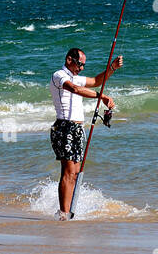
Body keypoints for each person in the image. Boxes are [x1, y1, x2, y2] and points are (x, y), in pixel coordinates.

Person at [50, 47, 123, 219]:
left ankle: (67, 212)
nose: (82, 68)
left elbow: (97, 80)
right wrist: (101, 97)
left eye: (83, 65)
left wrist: (112, 67)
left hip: (77, 129)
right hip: (64, 127)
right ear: (69, 60)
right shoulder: (59, 75)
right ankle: (63, 213)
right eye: (79, 64)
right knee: (67, 171)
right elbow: (74, 89)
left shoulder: (76, 77)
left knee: (75, 172)